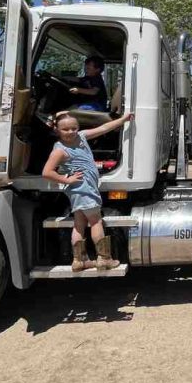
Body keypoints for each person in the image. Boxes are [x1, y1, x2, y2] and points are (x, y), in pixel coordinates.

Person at [42, 110, 134, 271]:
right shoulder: (59, 150)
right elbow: (47, 172)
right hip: (83, 190)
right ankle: (104, 258)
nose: (71, 132)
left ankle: (79, 261)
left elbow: (104, 128)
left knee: (79, 225)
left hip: (80, 192)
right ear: (57, 130)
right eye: (66, 129)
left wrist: (123, 120)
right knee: (96, 222)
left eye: (74, 128)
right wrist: (66, 179)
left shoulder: (82, 137)